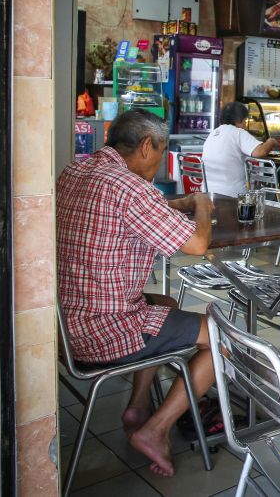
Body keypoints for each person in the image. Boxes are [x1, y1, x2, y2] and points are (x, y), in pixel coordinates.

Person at [56, 109, 215, 477]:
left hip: (65, 329)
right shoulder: (130, 187)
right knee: (221, 339)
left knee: (163, 302)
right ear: (146, 145)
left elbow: (134, 213)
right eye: (158, 155)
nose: (157, 166)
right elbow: (197, 243)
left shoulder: (75, 171)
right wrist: (202, 207)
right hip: (104, 332)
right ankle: (154, 430)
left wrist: (179, 205)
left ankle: (138, 405)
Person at [201, 101, 278, 197]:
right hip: (234, 196)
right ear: (239, 120)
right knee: (272, 194)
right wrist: (270, 142)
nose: (245, 124)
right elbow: (260, 152)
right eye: (245, 120)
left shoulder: (213, 133)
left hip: (207, 193)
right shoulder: (238, 133)